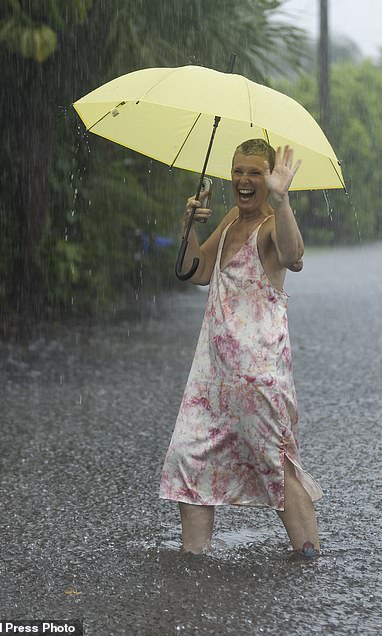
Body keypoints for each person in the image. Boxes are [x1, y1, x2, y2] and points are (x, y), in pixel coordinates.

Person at [159, 139, 322, 557]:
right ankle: (193, 559)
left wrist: (283, 202)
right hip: (211, 375)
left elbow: (295, 256)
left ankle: (309, 556)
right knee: (188, 457)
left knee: (274, 464)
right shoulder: (233, 219)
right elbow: (195, 272)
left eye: (255, 172)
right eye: (238, 171)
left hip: (257, 375)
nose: (245, 180)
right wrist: (188, 228)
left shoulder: (270, 224)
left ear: (269, 178)